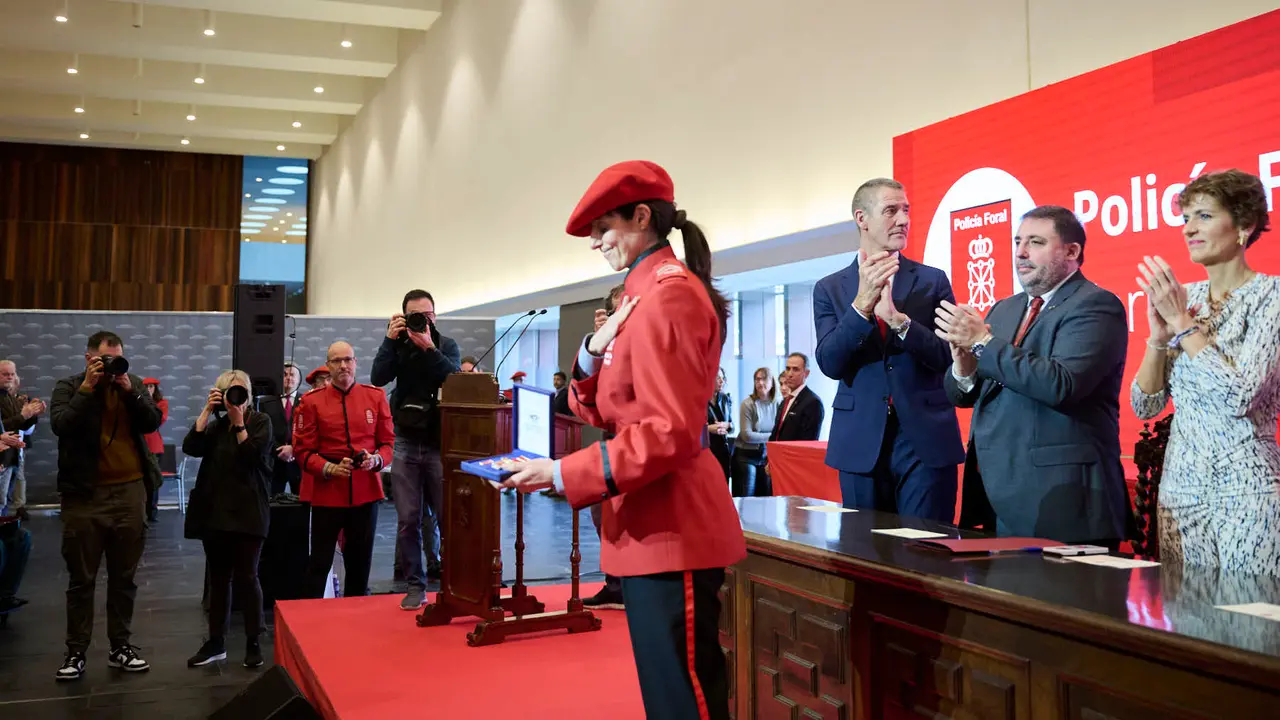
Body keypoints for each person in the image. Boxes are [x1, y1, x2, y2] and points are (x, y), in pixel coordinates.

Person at [504, 160, 745, 720]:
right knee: (667, 696)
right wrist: (592, 349)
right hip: (645, 521)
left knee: (684, 698)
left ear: (642, 217)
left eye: (602, 228)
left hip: (672, 523)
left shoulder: (669, 296)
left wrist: (564, 473)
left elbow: (670, 432)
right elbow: (605, 404)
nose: (594, 242)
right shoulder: (639, 297)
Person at [939, 205, 1129, 545]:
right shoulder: (1004, 308)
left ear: (1072, 251)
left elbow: (1062, 384)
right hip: (998, 494)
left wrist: (982, 342)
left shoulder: (1096, 305)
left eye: (1036, 242)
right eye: (1017, 242)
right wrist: (964, 366)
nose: (1021, 253)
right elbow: (963, 395)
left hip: (1063, 499)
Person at [1131, 169, 1280, 574]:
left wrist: (1182, 325)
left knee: (1251, 624)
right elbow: (1145, 405)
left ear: (1244, 225)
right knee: (1187, 625)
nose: (1188, 230)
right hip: (1179, 491)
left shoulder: (1272, 296)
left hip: (1247, 491)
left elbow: (1240, 398)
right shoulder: (1187, 297)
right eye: (1185, 219)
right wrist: (1159, 337)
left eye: (1204, 216)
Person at [814, 178, 964, 521]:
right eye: (891, 210)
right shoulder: (831, 288)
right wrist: (861, 307)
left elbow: (948, 357)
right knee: (863, 554)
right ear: (861, 218)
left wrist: (900, 322)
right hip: (860, 440)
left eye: (906, 210)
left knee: (926, 553)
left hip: (925, 439)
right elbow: (830, 362)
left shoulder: (932, 280)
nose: (903, 220)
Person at [50, 331, 162, 680]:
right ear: (89, 358)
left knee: (124, 577)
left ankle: (120, 647)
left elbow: (153, 422)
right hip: (84, 495)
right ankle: (76, 651)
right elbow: (61, 425)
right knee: (81, 579)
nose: (113, 365)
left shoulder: (134, 384)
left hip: (129, 493)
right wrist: (89, 386)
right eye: (105, 359)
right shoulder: (69, 386)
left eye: (117, 358)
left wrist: (131, 393)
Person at [370, 290, 461, 611]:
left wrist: (430, 348)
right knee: (408, 519)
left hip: (439, 443)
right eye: (415, 316)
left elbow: (454, 378)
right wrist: (389, 341)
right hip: (406, 442)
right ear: (403, 317)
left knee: (447, 517)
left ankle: (454, 582)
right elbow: (377, 377)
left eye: (428, 315)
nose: (423, 320)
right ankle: (414, 585)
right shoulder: (397, 343)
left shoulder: (446, 345)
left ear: (435, 316)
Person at [181, 370, 274, 669]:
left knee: (248, 577)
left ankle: (253, 641)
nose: (237, 398)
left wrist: (238, 425)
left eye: (241, 391)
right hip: (216, 513)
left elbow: (250, 456)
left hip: (249, 512)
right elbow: (190, 447)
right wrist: (208, 410)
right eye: (230, 392)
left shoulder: (261, 422)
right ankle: (216, 642)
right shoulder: (216, 426)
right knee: (219, 579)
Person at [293, 341, 394, 599]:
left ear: (355, 362)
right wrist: (328, 468)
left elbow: (388, 443)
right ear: (328, 366)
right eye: (337, 361)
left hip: (366, 492)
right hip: (327, 494)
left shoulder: (375, 396)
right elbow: (302, 452)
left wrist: (376, 460)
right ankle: (311, 625)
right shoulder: (311, 401)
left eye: (348, 360)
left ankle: (357, 624)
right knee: (318, 565)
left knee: (360, 567)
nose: (343, 366)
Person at [581, 283, 627, 610]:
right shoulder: (604, 345)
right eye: (615, 311)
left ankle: (637, 586)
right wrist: (600, 343)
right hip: (610, 437)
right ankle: (615, 582)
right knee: (602, 511)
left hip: (639, 439)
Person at [0, 360, 43, 517]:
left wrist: (31, 414)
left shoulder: (9, 397)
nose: (10, 378)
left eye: (12, 374)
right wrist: (24, 415)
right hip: (2, 457)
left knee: (4, 502)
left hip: (11, 456)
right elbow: (5, 426)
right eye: (5, 374)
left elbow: (21, 426)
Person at [732, 367, 779, 497]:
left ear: (772, 382)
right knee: (746, 497)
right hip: (746, 456)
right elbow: (747, 435)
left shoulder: (778, 404)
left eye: (764, 379)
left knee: (766, 498)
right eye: (757, 379)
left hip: (766, 457)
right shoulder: (747, 404)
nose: (760, 383)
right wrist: (772, 436)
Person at [260, 363, 303, 495]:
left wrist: (293, 449)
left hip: (299, 463)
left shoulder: (308, 401)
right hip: (273, 462)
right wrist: (279, 449)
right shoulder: (265, 402)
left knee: (301, 507)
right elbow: (263, 431)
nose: (289, 378)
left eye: (292, 374)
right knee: (272, 506)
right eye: (284, 375)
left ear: (299, 379)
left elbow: (309, 431)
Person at [771, 353, 824, 442]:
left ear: (806, 373)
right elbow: (776, 434)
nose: (790, 374)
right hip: (777, 453)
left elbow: (808, 442)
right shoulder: (785, 401)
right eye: (787, 369)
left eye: (795, 369)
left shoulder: (813, 402)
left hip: (795, 454)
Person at [140, 378, 168, 522]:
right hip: (138, 444)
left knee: (153, 480)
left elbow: (159, 420)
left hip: (154, 446)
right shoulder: (138, 402)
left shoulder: (162, 403)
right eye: (146, 386)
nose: (149, 389)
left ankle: (152, 511)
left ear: (155, 388)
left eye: (151, 386)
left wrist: (149, 401)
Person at [706, 368, 733, 482]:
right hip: (707, 451)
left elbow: (732, 425)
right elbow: (691, 429)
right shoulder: (699, 399)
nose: (721, 381)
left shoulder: (725, 398)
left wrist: (727, 425)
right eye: (718, 378)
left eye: (723, 378)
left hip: (723, 450)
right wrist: (708, 429)